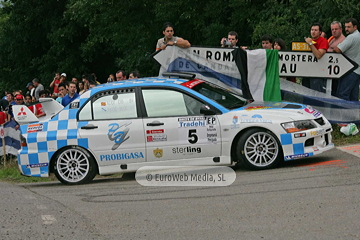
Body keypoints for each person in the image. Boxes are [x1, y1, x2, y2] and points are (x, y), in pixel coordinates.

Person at [334, 18, 360, 101]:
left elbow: (338, 50)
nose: (346, 29)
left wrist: (336, 46)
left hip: (349, 71)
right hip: (357, 71)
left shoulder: (351, 37)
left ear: (355, 27)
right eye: (345, 27)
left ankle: (342, 114)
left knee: (342, 94)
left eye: (349, 27)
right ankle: (354, 114)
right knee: (353, 97)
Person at [304, 23, 329, 92]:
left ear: (320, 32)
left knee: (316, 95)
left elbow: (319, 55)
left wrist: (310, 44)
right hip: (307, 73)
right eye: (312, 30)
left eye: (315, 30)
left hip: (318, 74)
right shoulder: (308, 41)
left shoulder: (323, 41)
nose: (313, 32)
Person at [327, 21, 346, 96]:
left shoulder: (343, 40)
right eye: (332, 29)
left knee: (336, 92)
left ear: (341, 29)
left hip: (338, 70)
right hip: (330, 69)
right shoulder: (332, 39)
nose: (334, 31)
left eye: (336, 29)